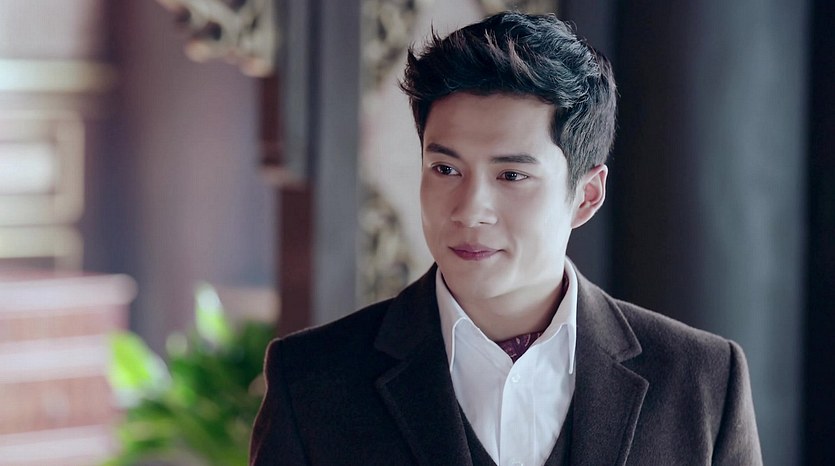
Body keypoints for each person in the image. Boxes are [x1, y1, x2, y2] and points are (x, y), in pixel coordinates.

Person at [250, 11, 762, 466]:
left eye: (511, 176)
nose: (470, 210)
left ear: (586, 196)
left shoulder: (701, 380)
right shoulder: (312, 379)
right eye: (446, 169)